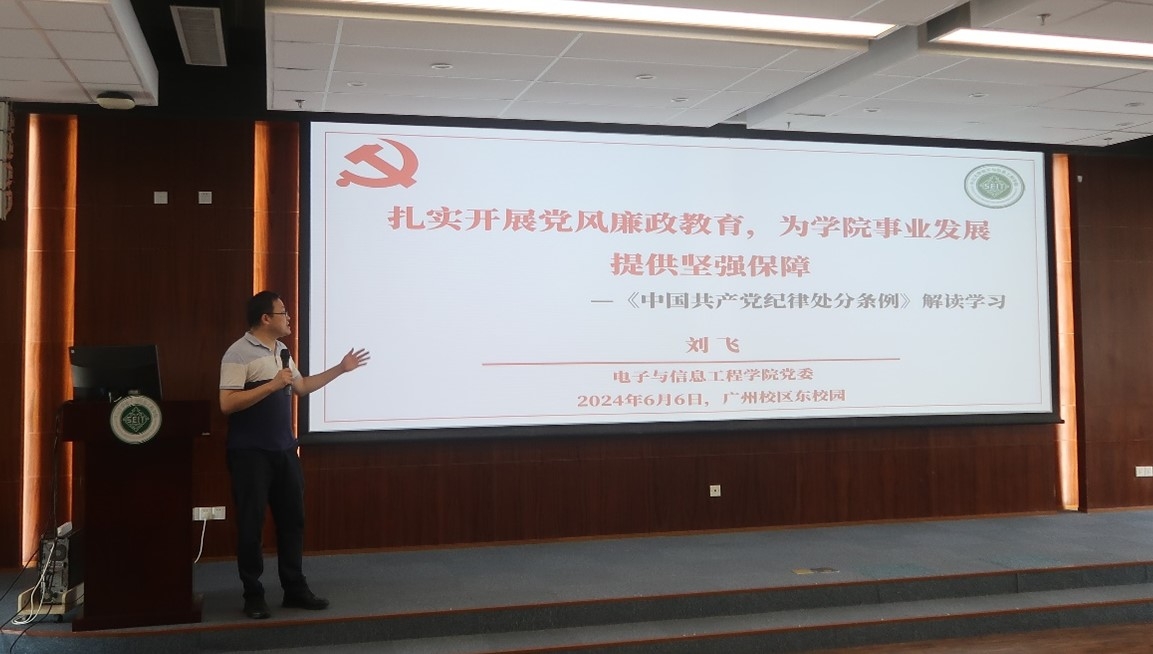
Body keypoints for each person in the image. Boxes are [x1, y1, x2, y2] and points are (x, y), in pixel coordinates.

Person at [219, 290, 370, 620]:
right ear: (265, 318)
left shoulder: (282, 351)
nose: (289, 318)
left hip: (284, 450)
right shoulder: (238, 352)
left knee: (293, 521)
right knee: (251, 525)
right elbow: (227, 403)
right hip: (250, 455)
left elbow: (300, 387)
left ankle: (294, 589)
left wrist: (341, 369)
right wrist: (271, 386)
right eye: (283, 313)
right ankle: (253, 594)